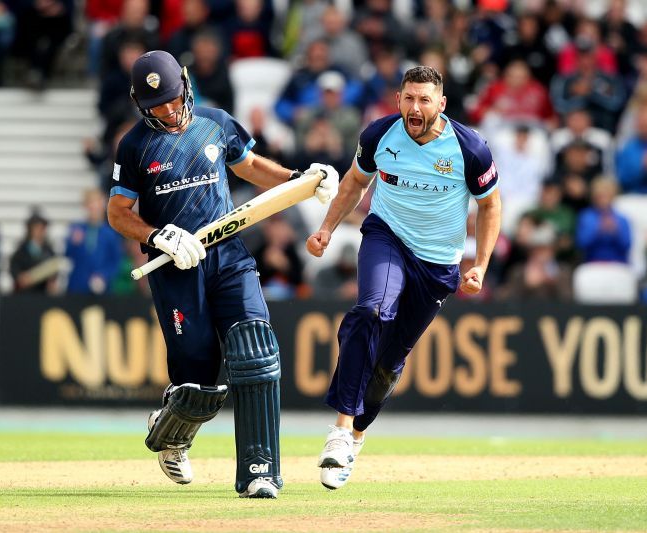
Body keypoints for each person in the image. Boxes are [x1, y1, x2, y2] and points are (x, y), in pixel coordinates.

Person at [107, 50, 338, 498]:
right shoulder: (134, 144)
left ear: (186, 84)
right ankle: (173, 434)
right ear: (140, 103)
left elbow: (249, 166)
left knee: (256, 349)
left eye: (174, 99)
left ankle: (260, 470)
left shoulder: (215, 122)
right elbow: (118, 212)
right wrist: (157, 237)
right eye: (157, 106)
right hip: (176, 264)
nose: (170, 111)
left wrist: (300, 179)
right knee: (198, 379)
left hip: (227, 253)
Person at [304, 66, 501, 490]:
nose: (415, 107)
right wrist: (327, 228)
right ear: (398, 100)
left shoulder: (471, 149)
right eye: (409, 98)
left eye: (425, 100)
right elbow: (355, 183)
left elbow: (490, 206)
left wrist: (480, 263)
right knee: (372, 310)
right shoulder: (380, 135)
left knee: (388, 367)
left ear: (441, 105)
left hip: (437, 265)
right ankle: (340, 430)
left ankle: (356, 437)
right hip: (386, 237)